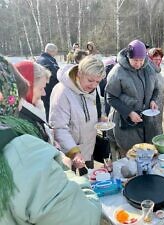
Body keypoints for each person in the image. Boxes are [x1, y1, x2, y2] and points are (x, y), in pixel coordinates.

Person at [0, 55, 101, 225]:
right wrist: (70, 172)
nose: (45, 93)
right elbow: (83, 215)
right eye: (41, 88)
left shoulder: (23, 127)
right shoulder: (22, 147)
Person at [49, 56, 105, 176]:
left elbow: (95, 107)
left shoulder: (91, 87)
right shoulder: (62, 92)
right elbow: (58, 127)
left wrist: (101, 117)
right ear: (79, 73)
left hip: (88, 150)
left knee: (89, 184)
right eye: (90, 80)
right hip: (69, 155)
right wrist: (74, 152)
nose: (94, 85)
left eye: (98, 82)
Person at [105, 39, 159, 157]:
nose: (138, 64)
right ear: (128, 56)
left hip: (146, 121)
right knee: (130, 156)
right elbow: (110, 97)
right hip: (125, 122)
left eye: (141, 60)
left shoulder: (148, 68)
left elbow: (156, 89)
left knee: (147, 154)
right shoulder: (118, 72)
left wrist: (153, 100)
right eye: (135, 60)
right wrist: (129, 112)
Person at [15, 61, 53, 143]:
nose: (44, 93)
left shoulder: (30, 111)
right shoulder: (19, 119)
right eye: (41, 88)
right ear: (26, 87)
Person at [36, 43, 59, 120]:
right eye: (55, 52)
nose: (56, 54)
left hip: (39, 88)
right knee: (49, 108)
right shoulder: (49, 61)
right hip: (49, 88)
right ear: (51, 51)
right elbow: (57, 74)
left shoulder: (39, 59)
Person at [148, 47, 164, 135]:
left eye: (160, 59)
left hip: (159, 103)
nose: (158, 61)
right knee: (152, 127)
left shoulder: (158, 70)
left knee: (158, 124)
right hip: (152, 105)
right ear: (150, 59)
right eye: (155, 59)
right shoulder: (149, 71)